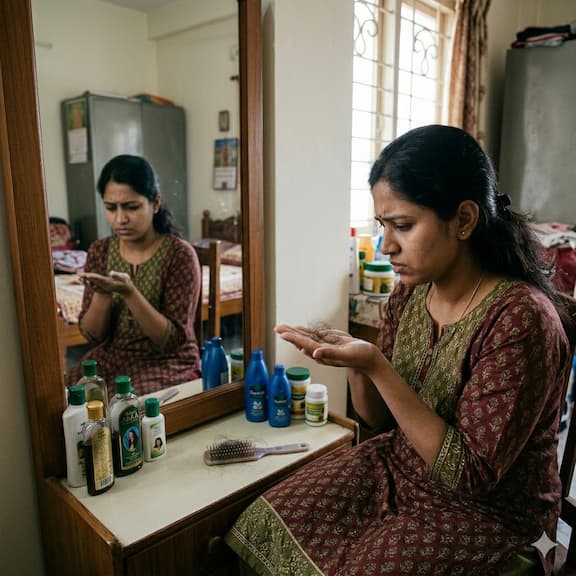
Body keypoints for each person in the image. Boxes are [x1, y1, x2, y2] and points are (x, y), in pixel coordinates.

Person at [225, 125, 575, 575]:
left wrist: (377, 365)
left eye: (403, 226)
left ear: (464, 220)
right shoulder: (409, 295)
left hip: (489, 512)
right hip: (400, 464)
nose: (387, 245)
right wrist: (353, 364)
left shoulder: (520, 319)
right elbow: (377, 422)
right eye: (382, 226)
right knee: (267, 519)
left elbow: (469, 476)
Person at [67, 154, 201, 397]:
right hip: (112, 356)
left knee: (129, 409)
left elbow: (171, 342)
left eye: (132, 207)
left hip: (166, 362)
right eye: (111, 207)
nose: (120, 219)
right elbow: (93, 336)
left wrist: (129, 292)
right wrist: (103, 295)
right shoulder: (100, 250)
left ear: (155, 203)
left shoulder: (179, 255)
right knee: (66, 397)